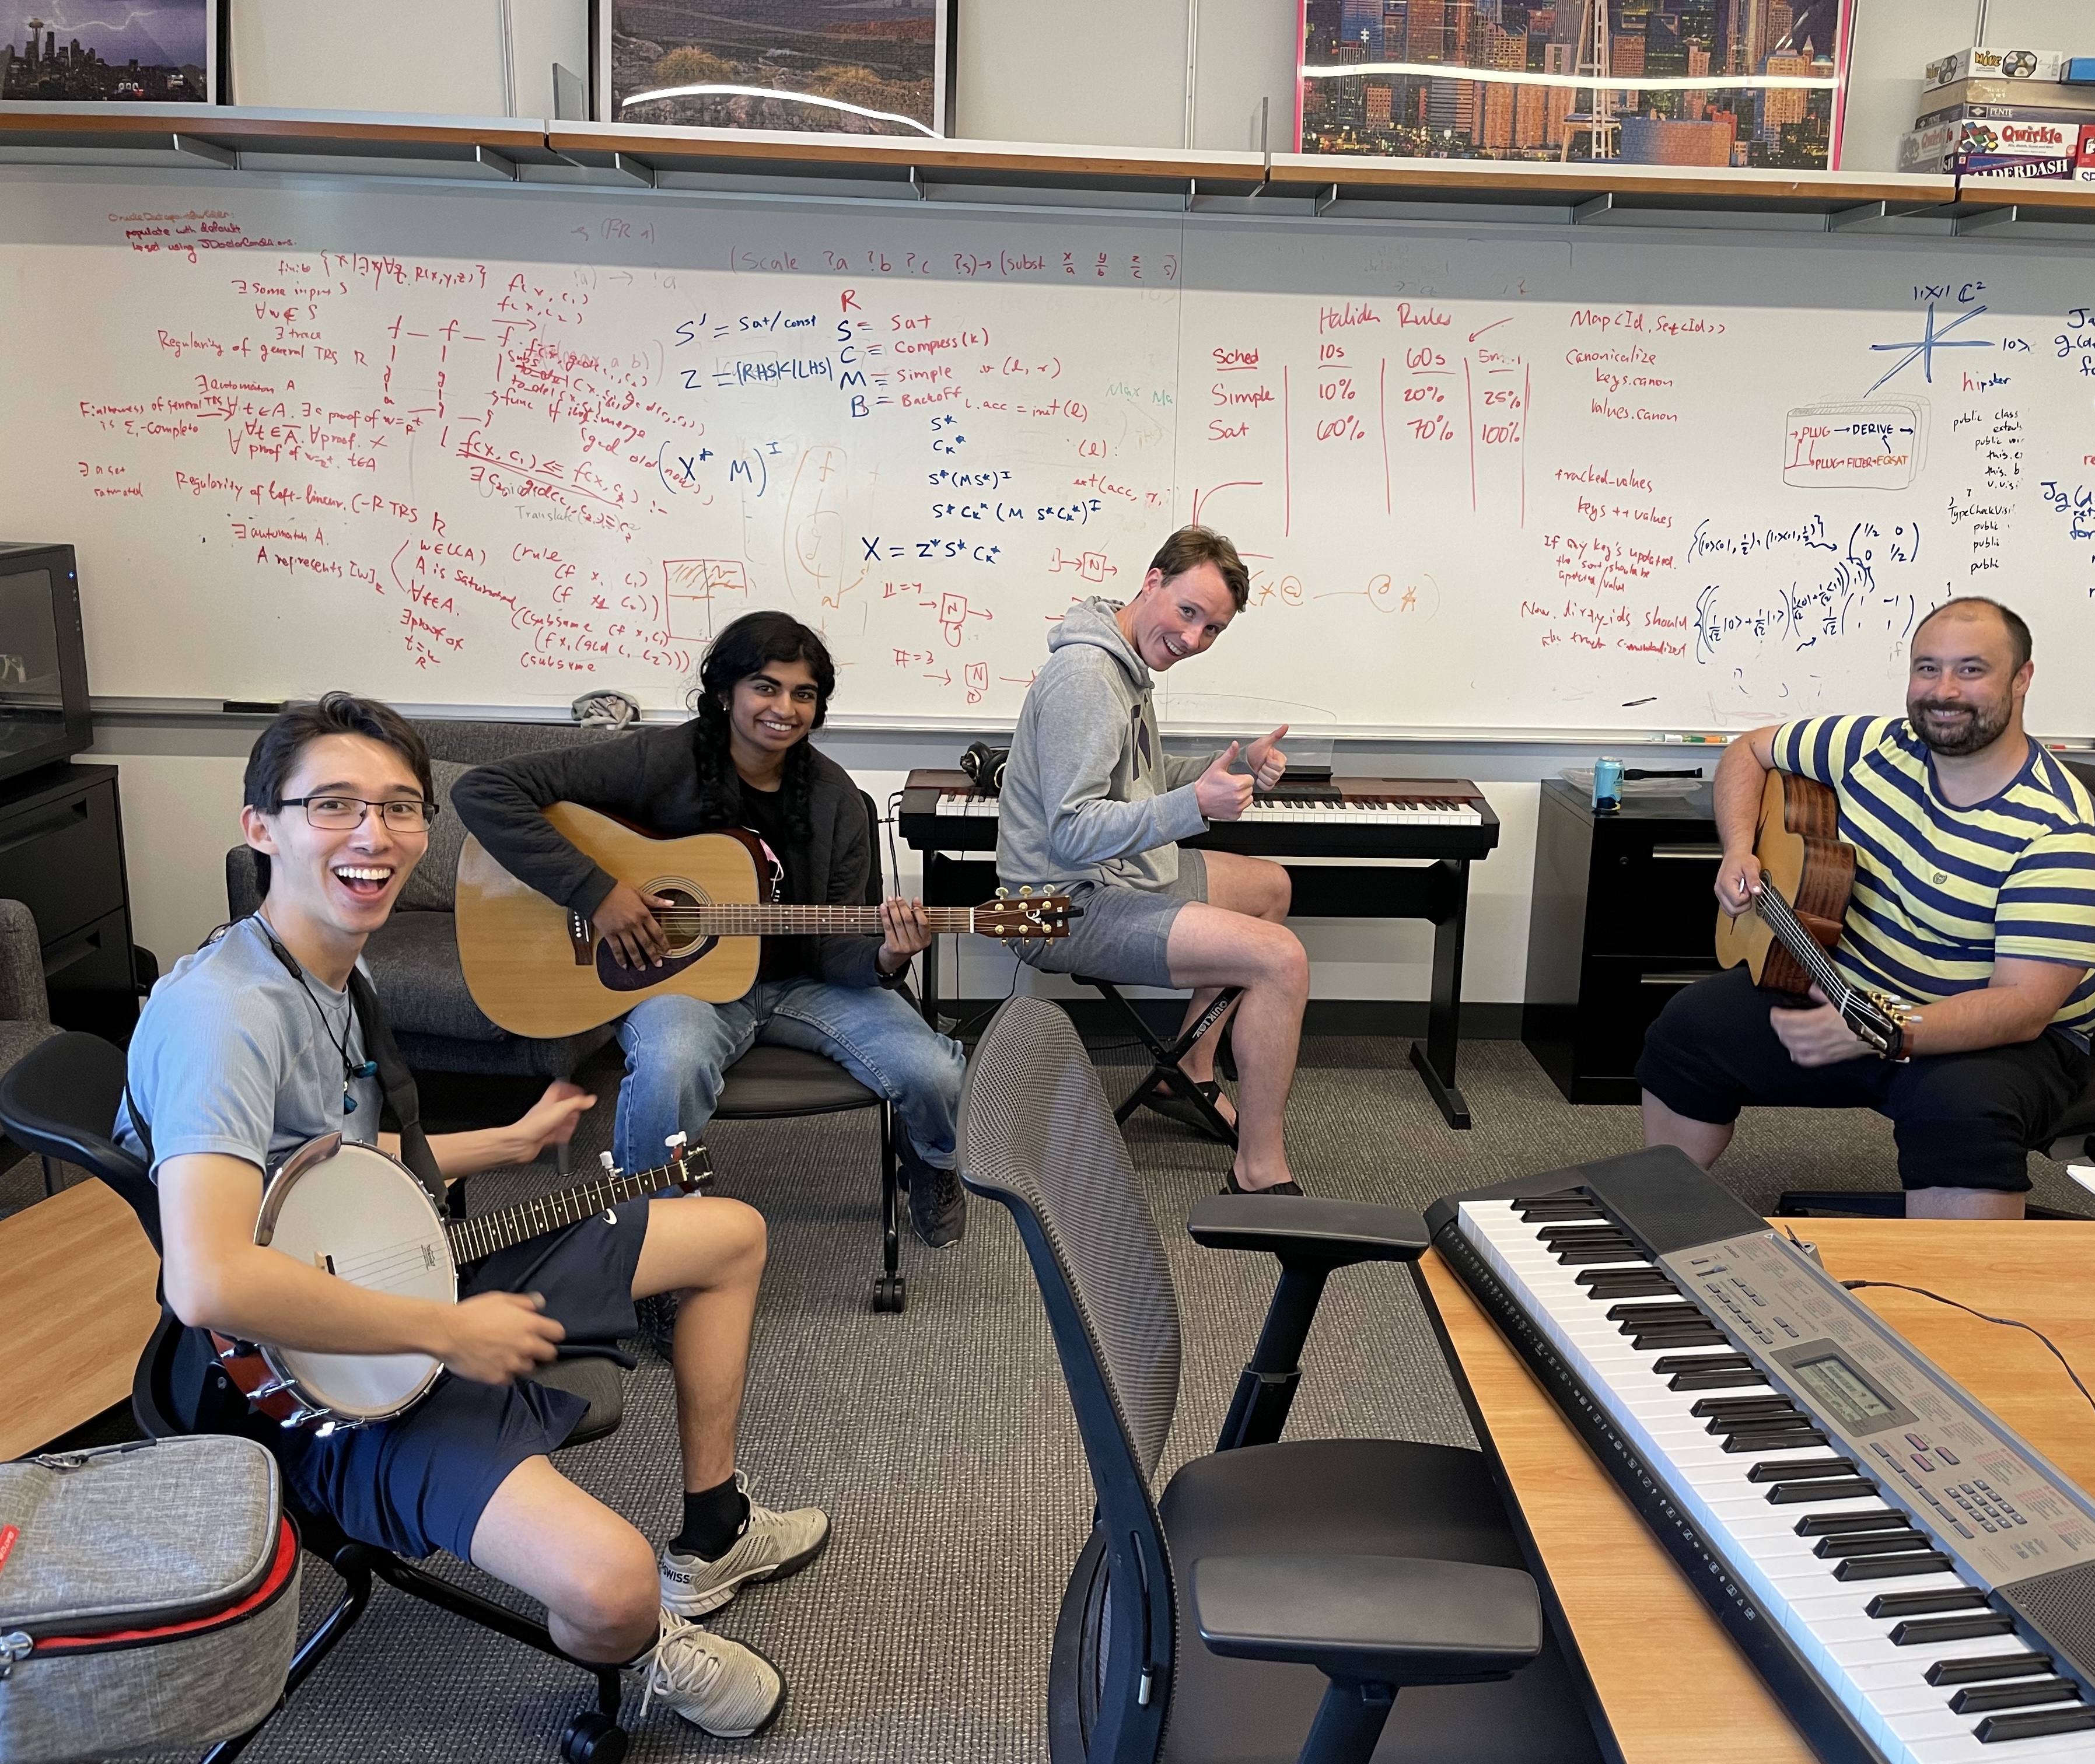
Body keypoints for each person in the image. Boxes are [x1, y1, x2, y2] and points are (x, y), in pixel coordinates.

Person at [123, 694, 824, 1739]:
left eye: (402, 807)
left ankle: (715, 1529)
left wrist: (497, 1143)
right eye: (337, 805)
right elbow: (210, 1277)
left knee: (727, 1232)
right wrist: (451, 1328)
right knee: (612, 1587)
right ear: (259, 824)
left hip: (388, 1273)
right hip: (307, 1385)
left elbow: (323, 1171)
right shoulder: (222, 1014)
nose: (377, 834)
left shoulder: (325, 964)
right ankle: (650, 1642)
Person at [454, 612, 970, 1247]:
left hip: (804, 985)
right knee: (672, 1065)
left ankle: (932, 1165)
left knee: (933, 1069)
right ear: (726, 692)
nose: (785, 708)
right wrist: (601, 893)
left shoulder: (836, 798)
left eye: (803, 694)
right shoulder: (657, 761)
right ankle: (651, 1245)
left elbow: (840, 949)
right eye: (766, 687)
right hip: (686, 986)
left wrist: (888, 956)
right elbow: (485, 790)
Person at [1636, 597, 2095, 1219]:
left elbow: (2023, 1009)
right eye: (1927, 669)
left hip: (1999, 1038)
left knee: (1959, 1114)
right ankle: (1659, 1206)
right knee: (1690, 1029)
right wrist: (1737, 850)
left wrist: (1884, 1032)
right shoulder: (1873, 746)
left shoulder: (2060, 833)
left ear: (2022, 679)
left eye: (1971, 670)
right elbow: (1747, 752)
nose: (1943, 691)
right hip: (1852, 992)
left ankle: (1962, 1296)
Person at [995, 525, 1309, 1195]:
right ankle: (1258, 1172)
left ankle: (1186, 1073)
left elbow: (1143, 776)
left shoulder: (1123, 664)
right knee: (1280, 959)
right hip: (1056, 907)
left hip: (1110, 879)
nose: (1193, 640)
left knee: (1269, 888)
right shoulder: (1089, 677)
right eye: (1188, 613)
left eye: (1213, 629)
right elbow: (1074, 834)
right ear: (1151, 581)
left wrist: (1233, 765)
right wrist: (1196, 805)